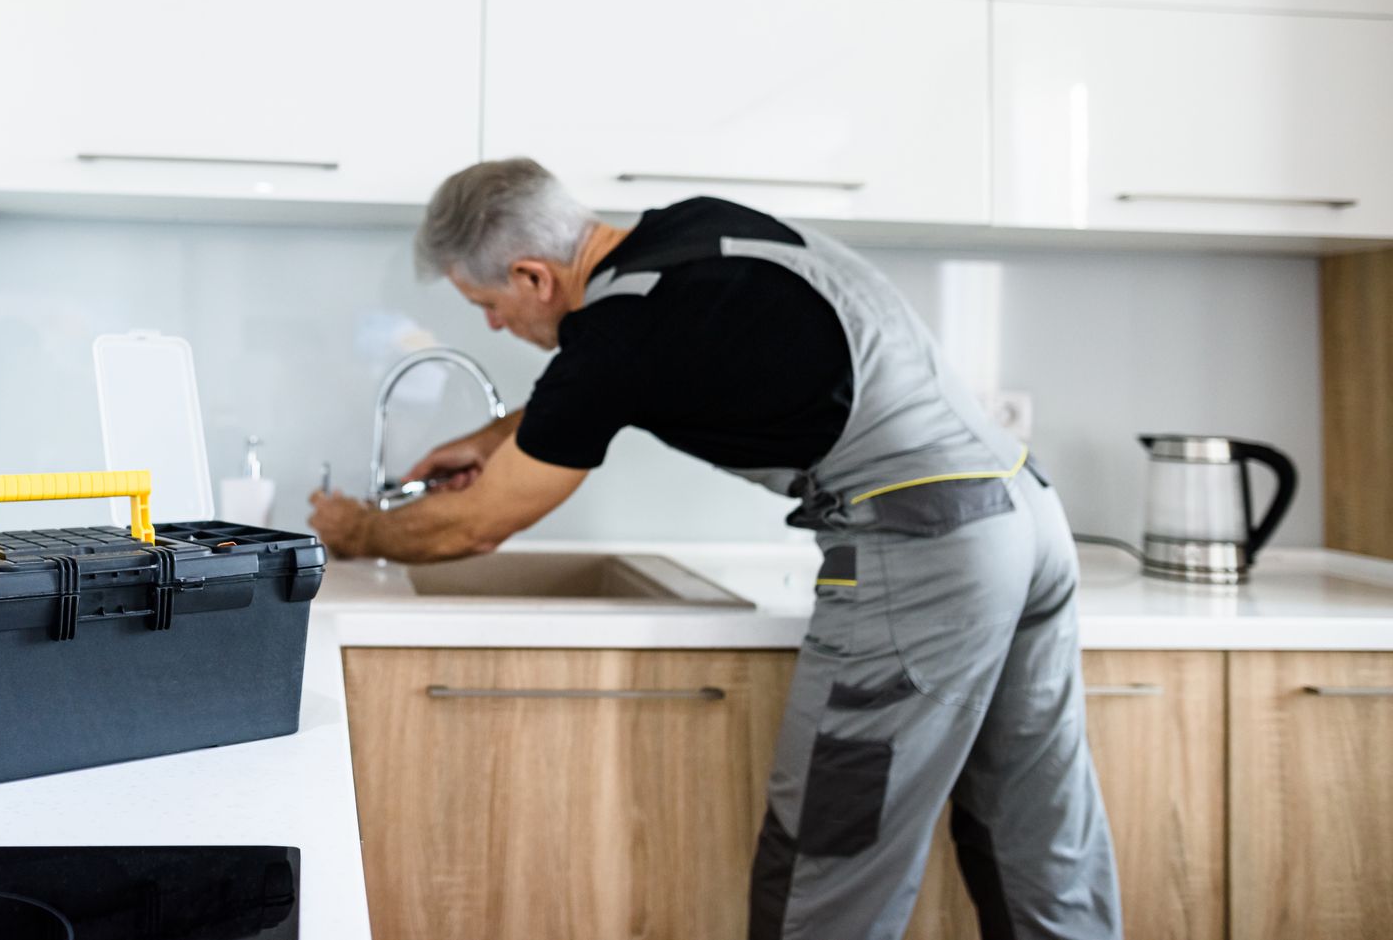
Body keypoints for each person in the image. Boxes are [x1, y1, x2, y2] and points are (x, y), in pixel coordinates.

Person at [308, 158, 1121, 940]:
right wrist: (493, 435)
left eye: (486, 303)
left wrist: (357, 530)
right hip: (1026, 515)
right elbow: (591, 389)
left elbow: (476, 525)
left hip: (928, 553)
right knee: (1037, 832)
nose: (491, 323)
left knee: (828, 856)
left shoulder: (619, 330)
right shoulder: (687, 236)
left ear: (531, 277)